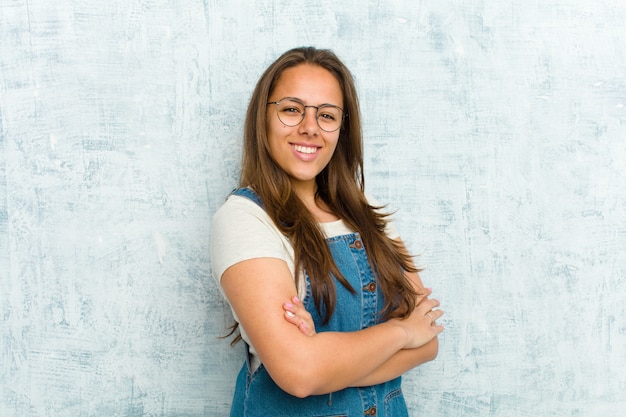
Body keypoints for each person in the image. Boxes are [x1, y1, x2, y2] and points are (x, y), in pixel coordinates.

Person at [210, 46, 444, 416]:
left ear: (342, 128)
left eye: (327, 115)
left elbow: (428, 340)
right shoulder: (244, 219)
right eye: (291, 109)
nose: (310, 127)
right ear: (263, 117)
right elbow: (300, 374)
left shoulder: (367, 215)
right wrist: (400, 333)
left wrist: (324, 357)